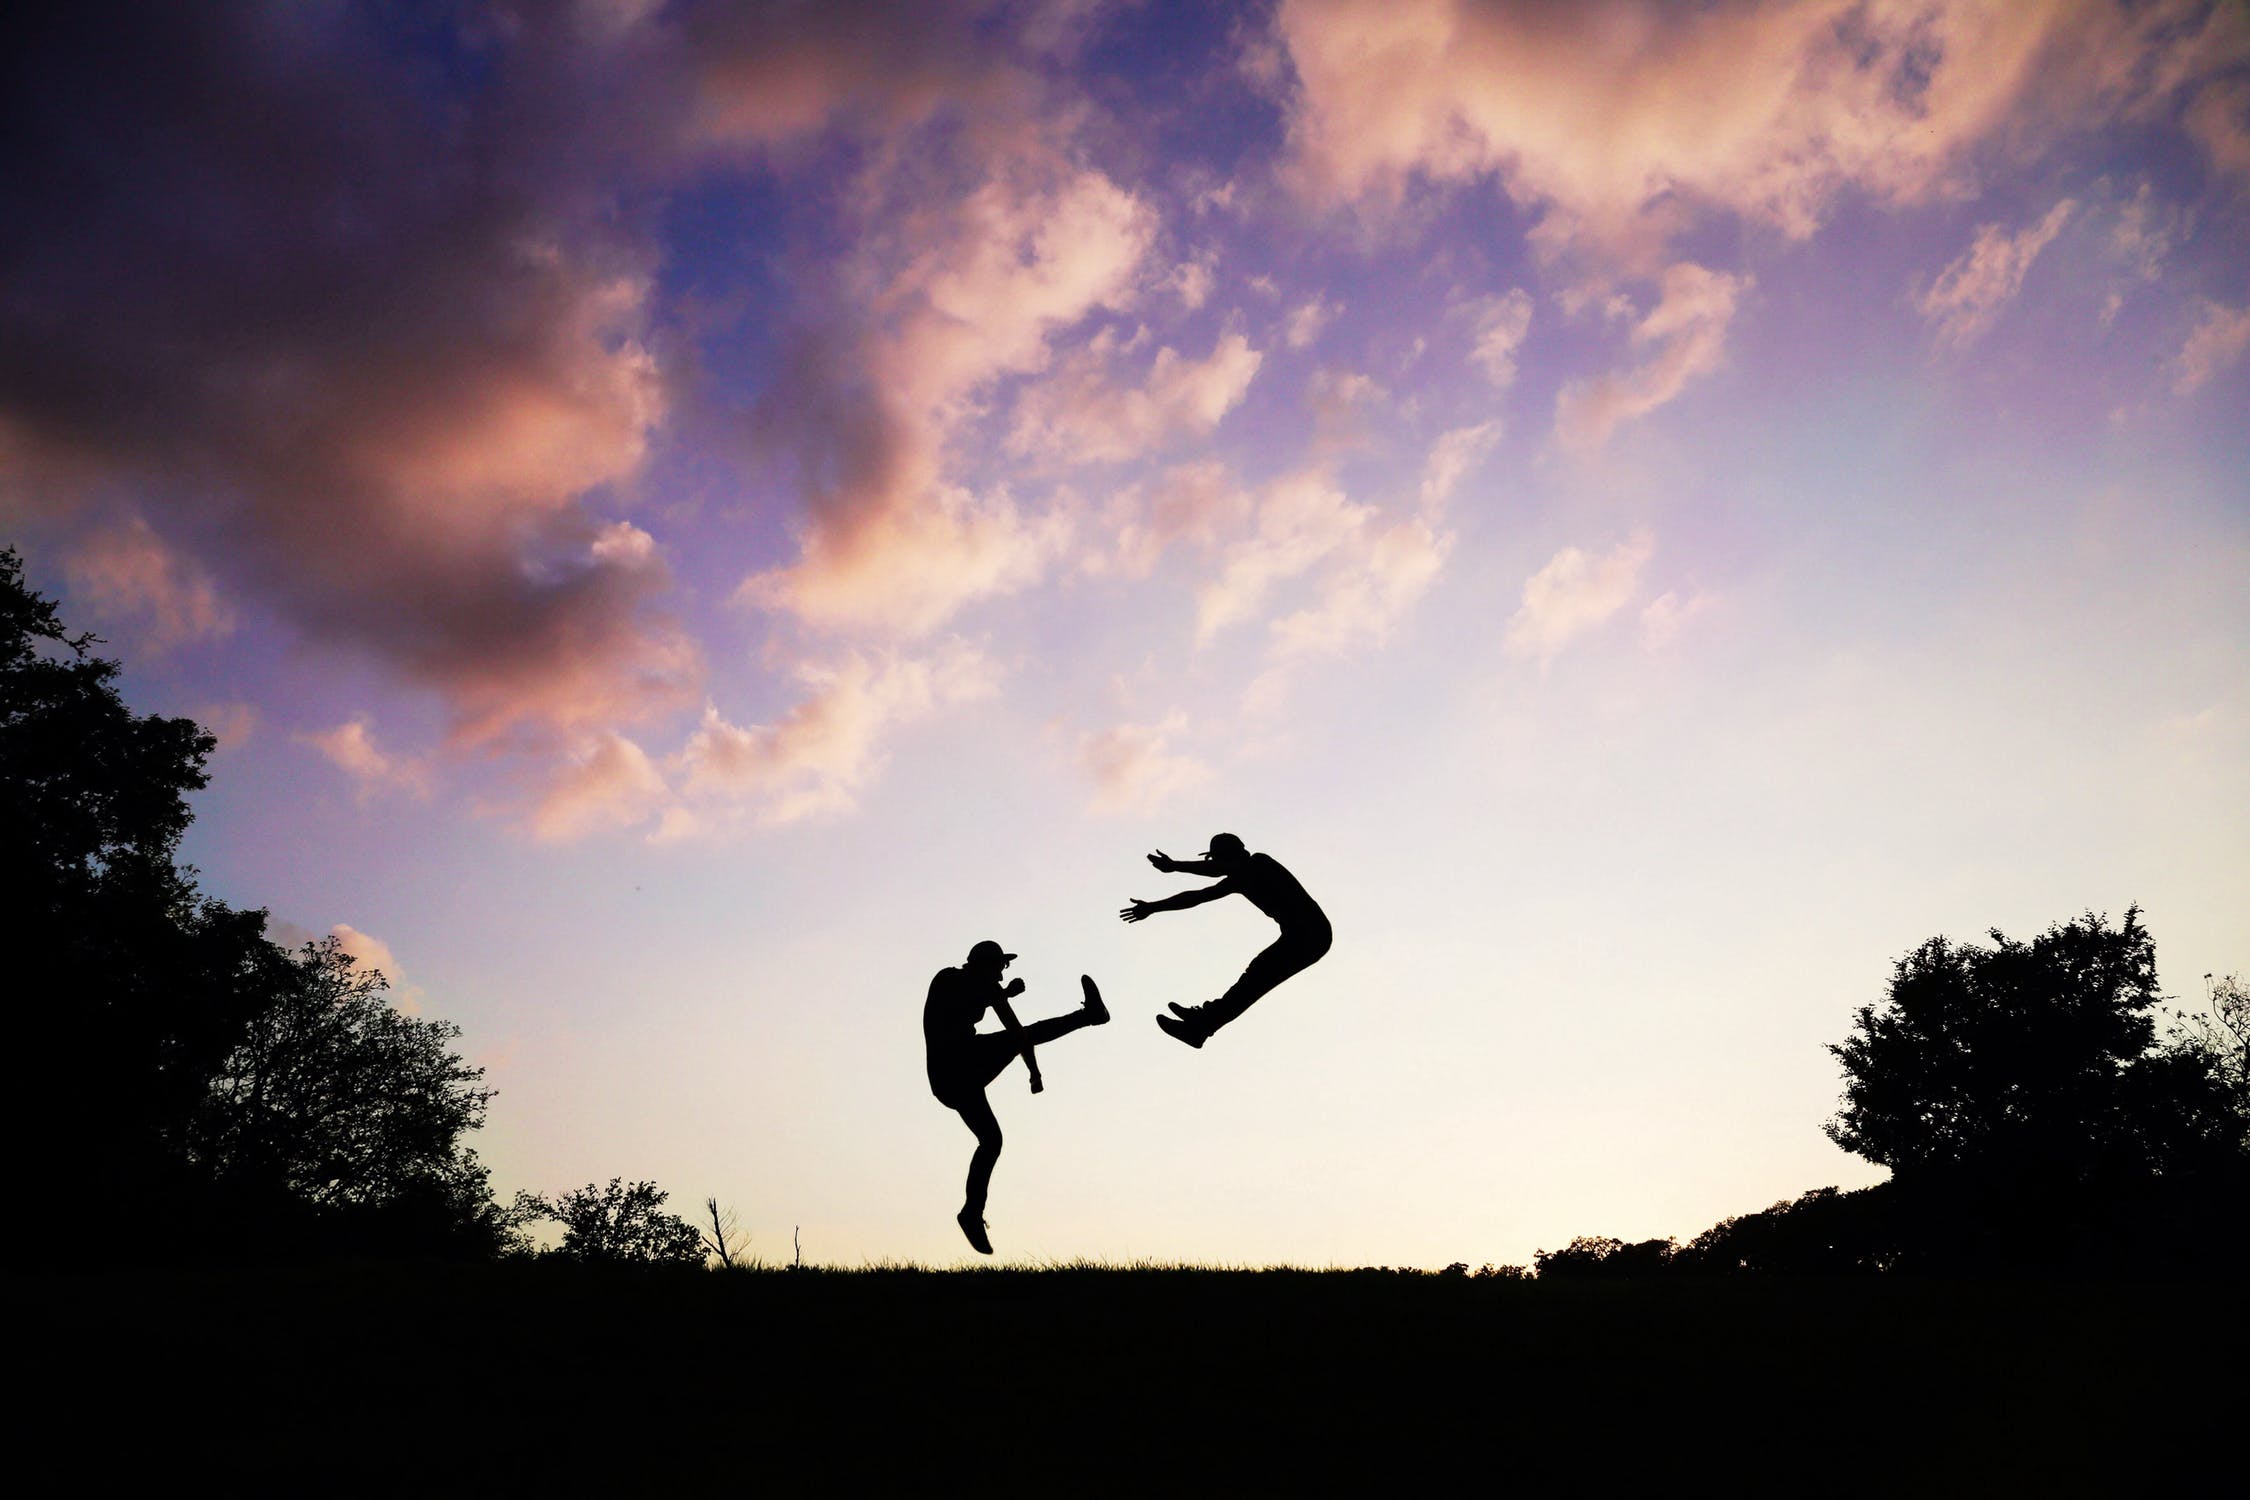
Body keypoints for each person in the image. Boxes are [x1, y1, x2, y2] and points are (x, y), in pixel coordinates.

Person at [924, 940, 1108, 1255]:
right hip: (960, 1064)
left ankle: (971, 1213)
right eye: (1001, 967)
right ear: (986, 965)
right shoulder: (954, 979)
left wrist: (1003, 995)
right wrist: (1034, 1072)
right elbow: (1014, 1031)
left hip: (950, 1079)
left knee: (991, 1140)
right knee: (1024, 1035)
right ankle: (1089, 1015)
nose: (1001, 974)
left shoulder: (964, 983)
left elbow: (967, 1003)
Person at [1121, 833, 1332, 1048]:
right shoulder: (1240, 877)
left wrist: (1175, 866)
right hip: (1305, 935)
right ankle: (1202, 1023)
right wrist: (1152, 907)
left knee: (1256, 978)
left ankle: (1201, 1026)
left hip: (1311, 934)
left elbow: (1214, 872)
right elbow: (1197, 896)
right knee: (1257, 974)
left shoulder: (1259, 862)